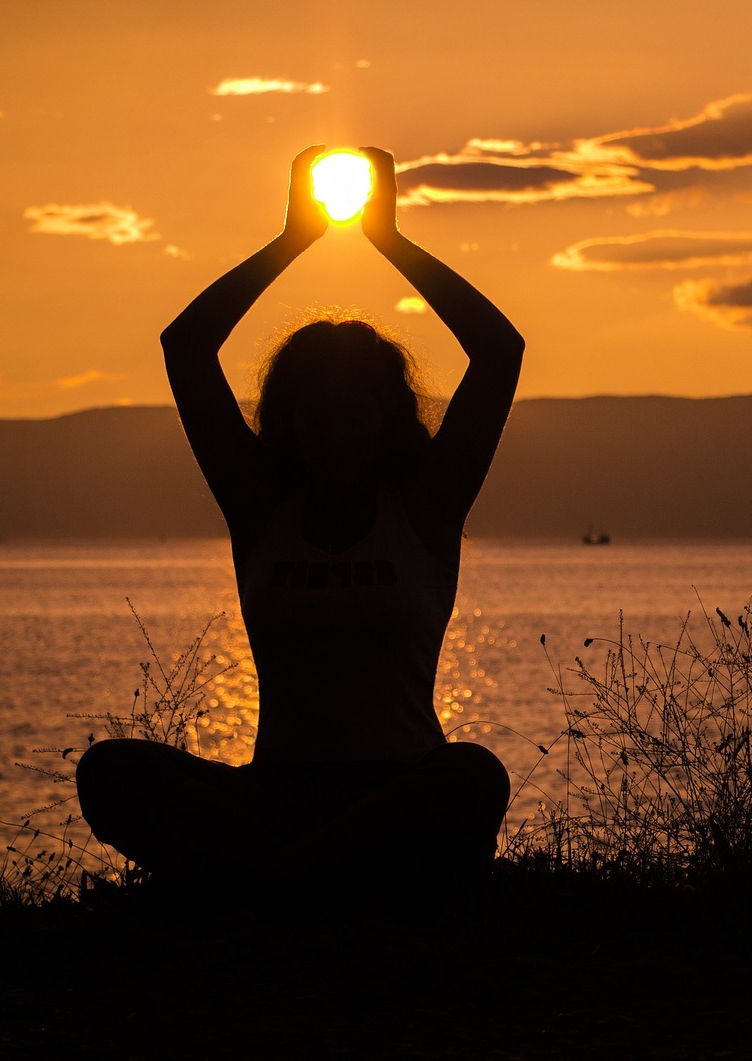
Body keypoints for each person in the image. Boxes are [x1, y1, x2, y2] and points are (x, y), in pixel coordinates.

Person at [76, 145, 521, 890]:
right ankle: (307, 882)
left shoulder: (425, 507)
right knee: (110, 770)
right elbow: (185, 347)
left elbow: (499, 351)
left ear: (386, 421)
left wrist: (390, 241)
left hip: (398, 791)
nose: (334, 434)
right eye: (316, 417)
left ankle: (272, 886)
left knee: (473, 775)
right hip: (276, 795)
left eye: (355, 417)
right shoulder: (260, 506)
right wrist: (293, 240)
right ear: (288, 420)